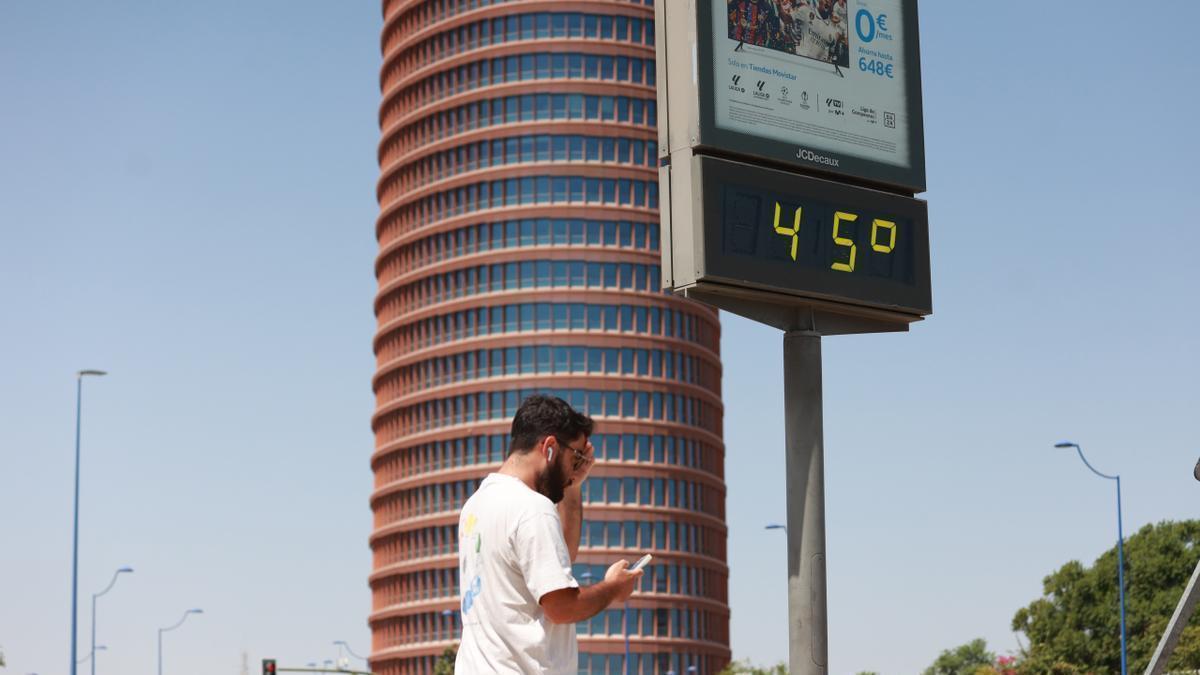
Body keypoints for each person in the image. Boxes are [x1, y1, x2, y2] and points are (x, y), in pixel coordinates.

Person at [455, 395, 644, 674]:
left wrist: (572, 489)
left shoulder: (476, 505)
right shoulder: (532, 507)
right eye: (576, 457)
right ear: (550, 447)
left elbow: (555, 563)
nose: (574, 469)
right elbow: (561, 607)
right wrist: (613, 588)